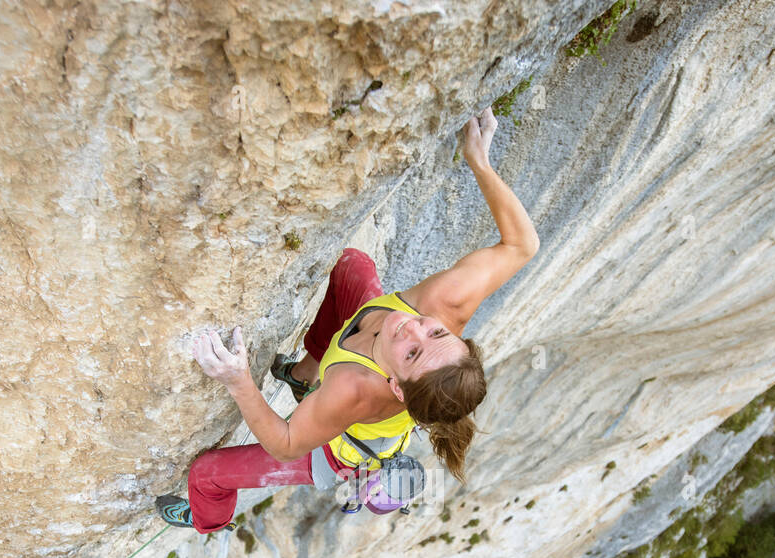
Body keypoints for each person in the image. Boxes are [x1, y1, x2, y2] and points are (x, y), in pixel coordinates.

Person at [156, 106, 539, 533]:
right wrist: (479, 161)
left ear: (395, 384)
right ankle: (304, 375)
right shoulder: (443, 305)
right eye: (434, 332)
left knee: (206, 474)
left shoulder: (353, 392)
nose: (410, 324)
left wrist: (238, 380)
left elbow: (284, 445)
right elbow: (521, 245)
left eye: (412, 351)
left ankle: (208, 519)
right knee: (352, 266)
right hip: (351, 370)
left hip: (336, 451)